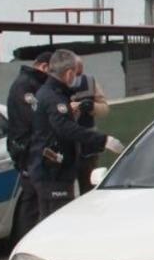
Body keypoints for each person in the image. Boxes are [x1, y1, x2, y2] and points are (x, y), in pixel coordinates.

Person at [27, 50, 123, 222]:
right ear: (69, 73)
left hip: (52, 167)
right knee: (59, 220)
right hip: (54, 171)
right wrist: (103, 140)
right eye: (75, 73)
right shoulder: (54, 97)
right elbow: (65, 127)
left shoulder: (46, 92)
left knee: (50, 219)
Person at [6, 50, 51, 238]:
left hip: (35, 149)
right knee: (32, 203)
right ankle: (26, 242)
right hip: (29, 151)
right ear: (44, 67)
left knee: (38, 202)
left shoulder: (35, 83)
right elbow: (34, 118)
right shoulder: (25, 86)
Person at [69, 58, 109, 195]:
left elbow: (104, 108)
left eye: (80, 73)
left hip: (88, 147)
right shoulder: (55, 86)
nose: (77, 78)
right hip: (67, 146)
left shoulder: (90, 82)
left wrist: (92, 107)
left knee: (89, 188)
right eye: (75, 73)